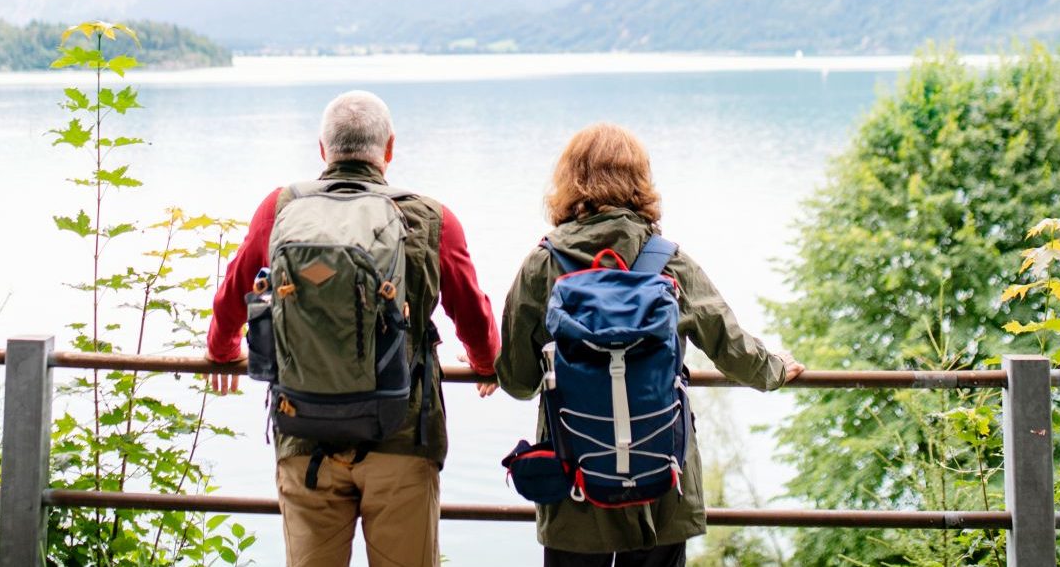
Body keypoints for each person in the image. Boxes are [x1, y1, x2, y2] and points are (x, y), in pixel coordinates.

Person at [208, 90, 501, 567]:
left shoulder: (279, 208)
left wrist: (221, 353)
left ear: (322, 151)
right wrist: (486, 364)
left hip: (304, 435)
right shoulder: (431, 218)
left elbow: (233, 295)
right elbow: (472, 315)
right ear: (389, 150)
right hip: (402, 438)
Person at [497, 123, 803, 567]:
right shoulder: (668, 260)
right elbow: (728, 344)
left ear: (568, 182)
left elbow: (519, 381)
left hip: (574, 478)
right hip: (663, 478)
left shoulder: (544, 263)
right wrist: (774, 368)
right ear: (640, 182)